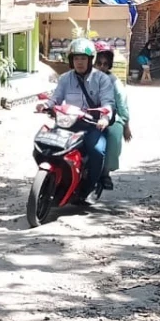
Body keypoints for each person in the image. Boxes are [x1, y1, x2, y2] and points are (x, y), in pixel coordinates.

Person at [36, 37, 114, 204]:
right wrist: (46, 105)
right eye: (76, 58)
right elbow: (55, 98)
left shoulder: (102, 79)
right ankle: (52, 178)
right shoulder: (65, 78)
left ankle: (89, 188)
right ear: (71, 61)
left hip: (93, 126)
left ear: (90, 60)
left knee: (97, 151)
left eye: (83, 59)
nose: (80, 62)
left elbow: (108, 102)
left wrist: (105, 118)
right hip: (68, 123)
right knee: (46, 145)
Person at [93, 41, 132, 190]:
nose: (101, 67)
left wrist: (126, 125)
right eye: (98, 63)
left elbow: (122, 104)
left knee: (114, 136)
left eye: (104, 64)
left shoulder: (114, 82)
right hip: (87, 115)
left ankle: (105, 173)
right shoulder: (85, 77)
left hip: (111, 117)